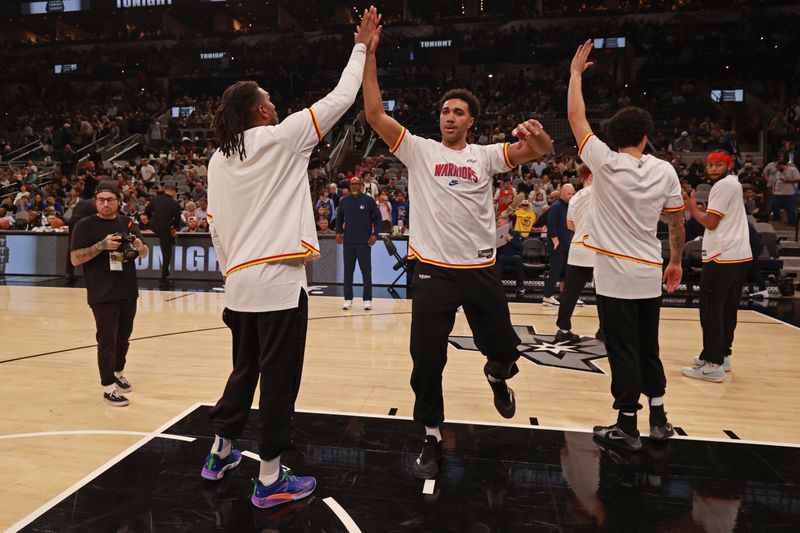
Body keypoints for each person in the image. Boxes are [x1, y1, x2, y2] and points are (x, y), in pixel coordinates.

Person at [201, 7, 379, 509]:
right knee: (279, 382)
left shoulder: (217, 159)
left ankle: (220, 453)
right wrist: (362, 45)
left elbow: (215, 229)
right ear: (259, 111)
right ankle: (271, 478)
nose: (276, 106)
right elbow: (344, 97)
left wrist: (231, 277)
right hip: (279, 283)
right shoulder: (283, 137)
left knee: (243, 372)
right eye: (270, 101)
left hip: (238, 284)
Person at [362, 24, 553, 479]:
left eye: (459, 112)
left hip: (481, 271)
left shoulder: (485, 156)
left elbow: (542, 149)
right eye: (446, 111)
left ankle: (496, 374)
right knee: (426, 362)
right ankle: (430, 436)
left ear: (471, 121)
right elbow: (372, 112)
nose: (449, 117)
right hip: (433, 273)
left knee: (506, 351)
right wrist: (368, 52)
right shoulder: (419, 150)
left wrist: (538, 135)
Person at [568, 40, 685, 452]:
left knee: (623, 351)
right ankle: (659, 417)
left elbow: (576, 117)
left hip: (616, 275)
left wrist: (576, 75)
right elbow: (675, 223)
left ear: (613, 136)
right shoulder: (666, 170)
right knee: (649, 347)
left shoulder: (604, 161)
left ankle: (627, 424)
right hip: (650, 270)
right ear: (646, 136)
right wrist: (675, 262)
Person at [69, 182, 149, 406]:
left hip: (127, 290)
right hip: (102, 293)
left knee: (124, 337)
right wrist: (101, 246)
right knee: (107, 341)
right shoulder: (84, 225)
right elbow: (75, 259)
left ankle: (118, 372)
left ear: (118, 201)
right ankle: (108, 387)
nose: (106, 204)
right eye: (101, 200)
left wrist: (141, 246)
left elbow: (144, 253)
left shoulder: (127, 221)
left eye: (110, 199)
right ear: (96, 202)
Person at [681, 151, 751, 382]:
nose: (712, 168)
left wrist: (691, 208)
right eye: (710, 164)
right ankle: (723, 354)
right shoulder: (734, 183)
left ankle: (713, 364)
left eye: (718, 165)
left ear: (729, 166)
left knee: (711, 308)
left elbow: (711, 222)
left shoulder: (722, 186)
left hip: (722, 256)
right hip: (738, 255)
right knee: (727, 308)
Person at [554, 164, 596, 342]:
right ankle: (605, 331)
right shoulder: (602, 192)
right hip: (596, 251)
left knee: (570, 294)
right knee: (604, 294)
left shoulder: (575, 197)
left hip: (577, 249)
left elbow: (570, 225)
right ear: (591, 175)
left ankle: (563, 331)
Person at [335, 176, 381, 310]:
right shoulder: (344, 201)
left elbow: (377, 218)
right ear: (349, 186)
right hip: (348, 242)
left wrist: (375, 235)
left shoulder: (368, 200)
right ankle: (348, 299)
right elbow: (339, 218)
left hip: (364, 242)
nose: (354, 186)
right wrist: (338, 232)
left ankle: (367, 299)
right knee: (348, 271)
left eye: (356, 184)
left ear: (361, 185)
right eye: (352, 184)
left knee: (366, 271)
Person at [542, 184, 575, 306]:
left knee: (567, 272)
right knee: (555, 271)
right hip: (557, 245)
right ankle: (547, 296)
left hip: (566, 244)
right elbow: (551, 225)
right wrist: (556, 242)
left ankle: (567, 298)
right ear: (562, 192)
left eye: (573, 194)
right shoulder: (556, 206)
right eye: (569, 193)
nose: (571, 196)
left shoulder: (569, 206)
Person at [145, 184, 182, 288]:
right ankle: (163, 279)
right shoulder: (174, 203)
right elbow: (177, 220)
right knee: (167, 255)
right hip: (165, 230)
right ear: (173, 192)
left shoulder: (156, 199)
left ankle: (164, 276)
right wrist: (173, 229)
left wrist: (153, 221)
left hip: (154, 227)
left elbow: (147, 211)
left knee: (166, 251)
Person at [495, 214, 526, 296]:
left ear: (507, 224)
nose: (498, 224)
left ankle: (520, 287)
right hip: (502, 256)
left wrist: (510, 240)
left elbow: (519, 247)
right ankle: (497, 287)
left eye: (499, 223)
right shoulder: (495, 233)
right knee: (500, 258)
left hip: (513, 256)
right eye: (498, 223)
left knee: (518, 259)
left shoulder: (515, 233)